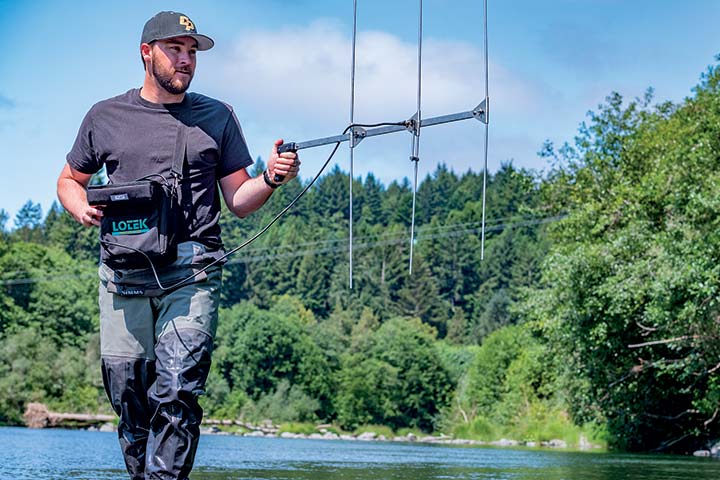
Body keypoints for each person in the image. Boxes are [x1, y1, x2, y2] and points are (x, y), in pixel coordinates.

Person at [56, 11, 299, 480]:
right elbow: (69, 179)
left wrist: (270, 178)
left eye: (192, 52)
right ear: (147, 53)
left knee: (177, 390)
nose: (186, 60)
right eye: (176, 49)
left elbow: (239, 199)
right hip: (122, 276)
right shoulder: (105, 116)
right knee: (129, 397)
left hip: (192, 271)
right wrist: (78, 206)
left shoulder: (217, 116)